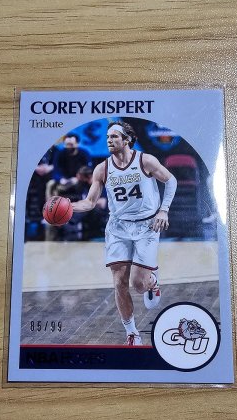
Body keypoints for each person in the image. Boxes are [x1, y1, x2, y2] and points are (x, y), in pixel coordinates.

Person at [71, 120, 177, 346]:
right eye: (107, 137)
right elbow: (90, 202)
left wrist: (164, 210)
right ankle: (132, 333)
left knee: (138, 285)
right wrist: (68, 206)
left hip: (147, 226)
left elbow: (171, 181)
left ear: (127, 139)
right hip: (118, 227)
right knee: (119, 281)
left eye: (114, 136)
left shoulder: (145, 160)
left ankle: (152, 281)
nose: (109, 140)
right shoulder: (102, 169)